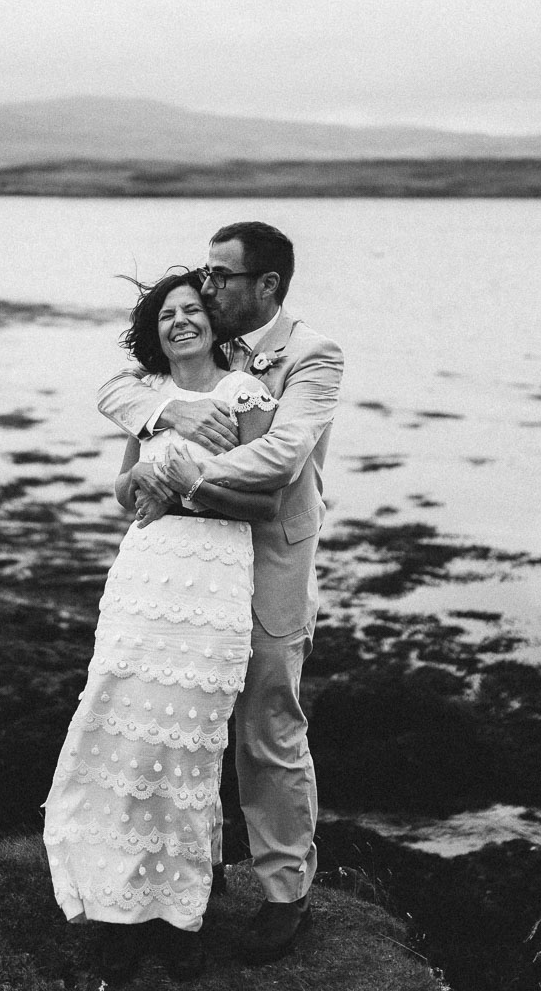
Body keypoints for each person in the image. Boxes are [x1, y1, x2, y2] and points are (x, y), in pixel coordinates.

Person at [97, 221, 343, 967]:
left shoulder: (313, 356)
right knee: (181, 712)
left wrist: (180, 482)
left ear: (266, 285)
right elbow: (117, 386)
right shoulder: (208, 338)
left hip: (269, 559)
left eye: (221, 276)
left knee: (268, 717)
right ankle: (184, 875)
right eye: (204, 275)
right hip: (193, 568)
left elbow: (283, 454)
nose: (206, 289)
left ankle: (283, 890)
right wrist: (166, 413)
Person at [43, 269, 288, 983]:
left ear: (213, 324)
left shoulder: (246, 395)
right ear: (156, 332)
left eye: (192, 311)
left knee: (189, 744)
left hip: (212, 577)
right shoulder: (150, 402)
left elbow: (266, 504)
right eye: (168, 315)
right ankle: (115, 906)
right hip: (146, 574)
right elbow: (123, 490)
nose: (181, 321)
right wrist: (143, 480)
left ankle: (180, 910)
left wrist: (186, 485)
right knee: (119, 727)